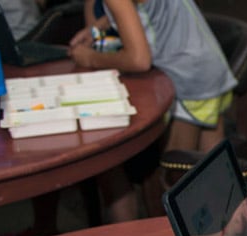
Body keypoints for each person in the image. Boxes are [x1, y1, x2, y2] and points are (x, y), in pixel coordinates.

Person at [68, 0, 236, 222]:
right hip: (207, 65)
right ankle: (233, 233)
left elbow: (139, 60)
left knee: (178, 182)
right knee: (218, 176)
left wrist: (89, 57)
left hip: (186, 79)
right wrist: (97, 28)